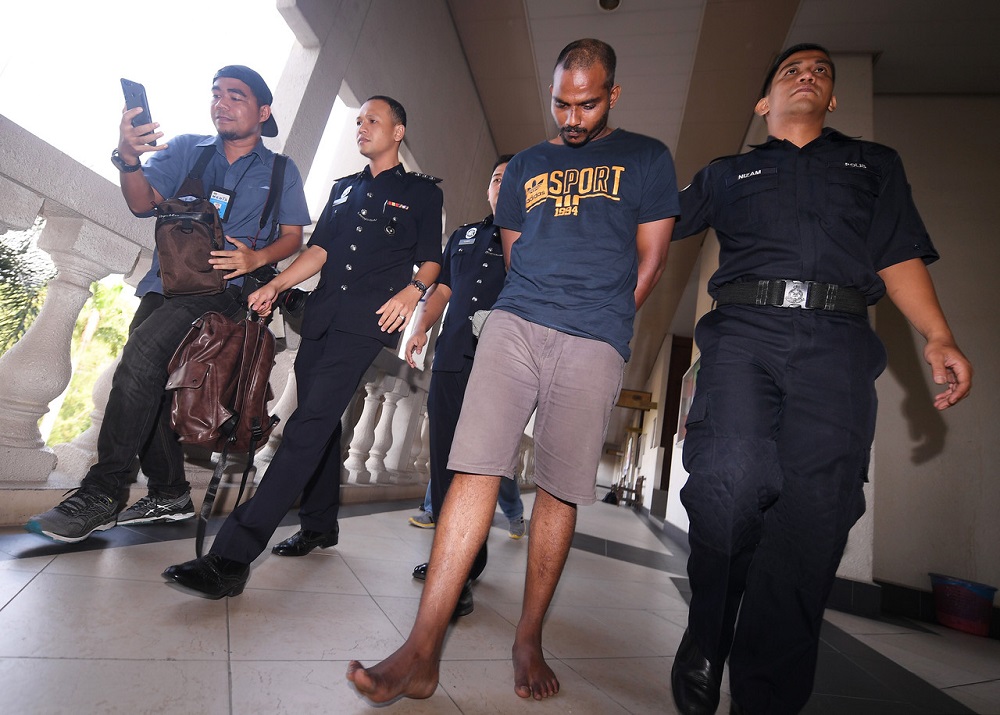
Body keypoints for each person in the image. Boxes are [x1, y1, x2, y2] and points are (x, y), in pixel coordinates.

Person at [347, 38, 679, 703]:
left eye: (588, 105)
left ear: (613, 95)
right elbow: (515, 253)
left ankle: (528, 637)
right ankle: (422, 648)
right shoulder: (526, 165)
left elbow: (651, 259)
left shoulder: (647, 158)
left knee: (557, 487)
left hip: (594, 336)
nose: (573, 118)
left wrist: (606, 322)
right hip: (516, 321)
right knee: (473, 467)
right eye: (562, 103)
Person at [668, 44, 973, 715]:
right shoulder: (727, 172)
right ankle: (707, 633)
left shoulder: (873, 164)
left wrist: (938, 334)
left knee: (814, 519)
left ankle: (766, 697)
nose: (807, 75)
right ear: (763, 102)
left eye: (820, 72)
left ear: (832, 99)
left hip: (838, 344)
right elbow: (651, 221)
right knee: (729, 483)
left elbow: (896, 253)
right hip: (744, 334)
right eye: (791, 70)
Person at [161, 95, 443, 599]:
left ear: (398, 131)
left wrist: (412, 291)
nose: (362, 127)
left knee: (306, 426)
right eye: (358, 121)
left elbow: (431, 259)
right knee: (322, 419)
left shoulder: (421, 193)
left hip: (366, 323)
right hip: (322, 316)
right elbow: (319, 250)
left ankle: (232, 557)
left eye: (373, 120)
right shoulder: (344, 188)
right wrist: (274, 284)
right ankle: (319, 524)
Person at [26, 66, 311, 543]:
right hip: (165, 284)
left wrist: (257, 258)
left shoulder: (281, 170)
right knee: (145, 382)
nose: (222, 103)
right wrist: (129, 159)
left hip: (225, 292)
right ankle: (170, 493)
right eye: (216, 94)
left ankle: (102, 492)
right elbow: (143, 203)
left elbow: (293, 237)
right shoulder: (187, 150)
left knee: (140, 359)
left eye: (236, 96)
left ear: (263, 112)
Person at [404, 156, 526, 616]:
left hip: (500, 367)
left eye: (512, 179)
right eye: (496, 178)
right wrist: (421, 328)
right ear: (487, 189)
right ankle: (452, 552)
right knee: (442, 462)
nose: (501, 185)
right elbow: (444, 289)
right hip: (452, 359)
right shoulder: (465, 235)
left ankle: (461, 565)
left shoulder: (533, 238)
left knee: (477, 468)